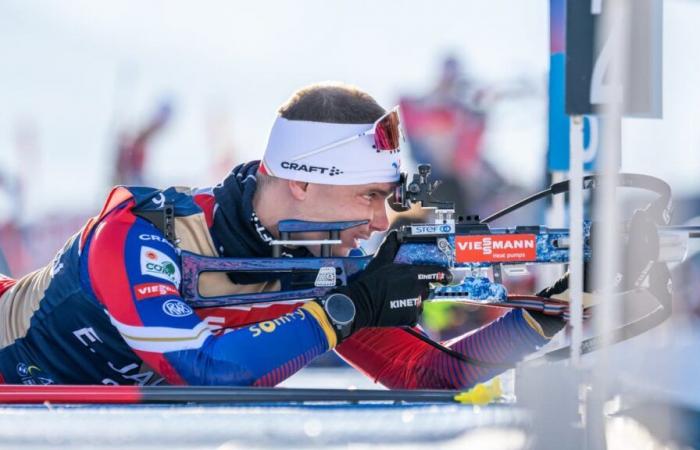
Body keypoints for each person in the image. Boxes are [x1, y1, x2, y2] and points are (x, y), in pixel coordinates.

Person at [0, 83, 565, 387]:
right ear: (299, 184)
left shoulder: (311, 268)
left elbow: (429, 373)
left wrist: (545, 316)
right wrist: (350, 308)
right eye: (368, 197)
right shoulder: (141, 237)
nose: (377, 222)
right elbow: (209, 371)